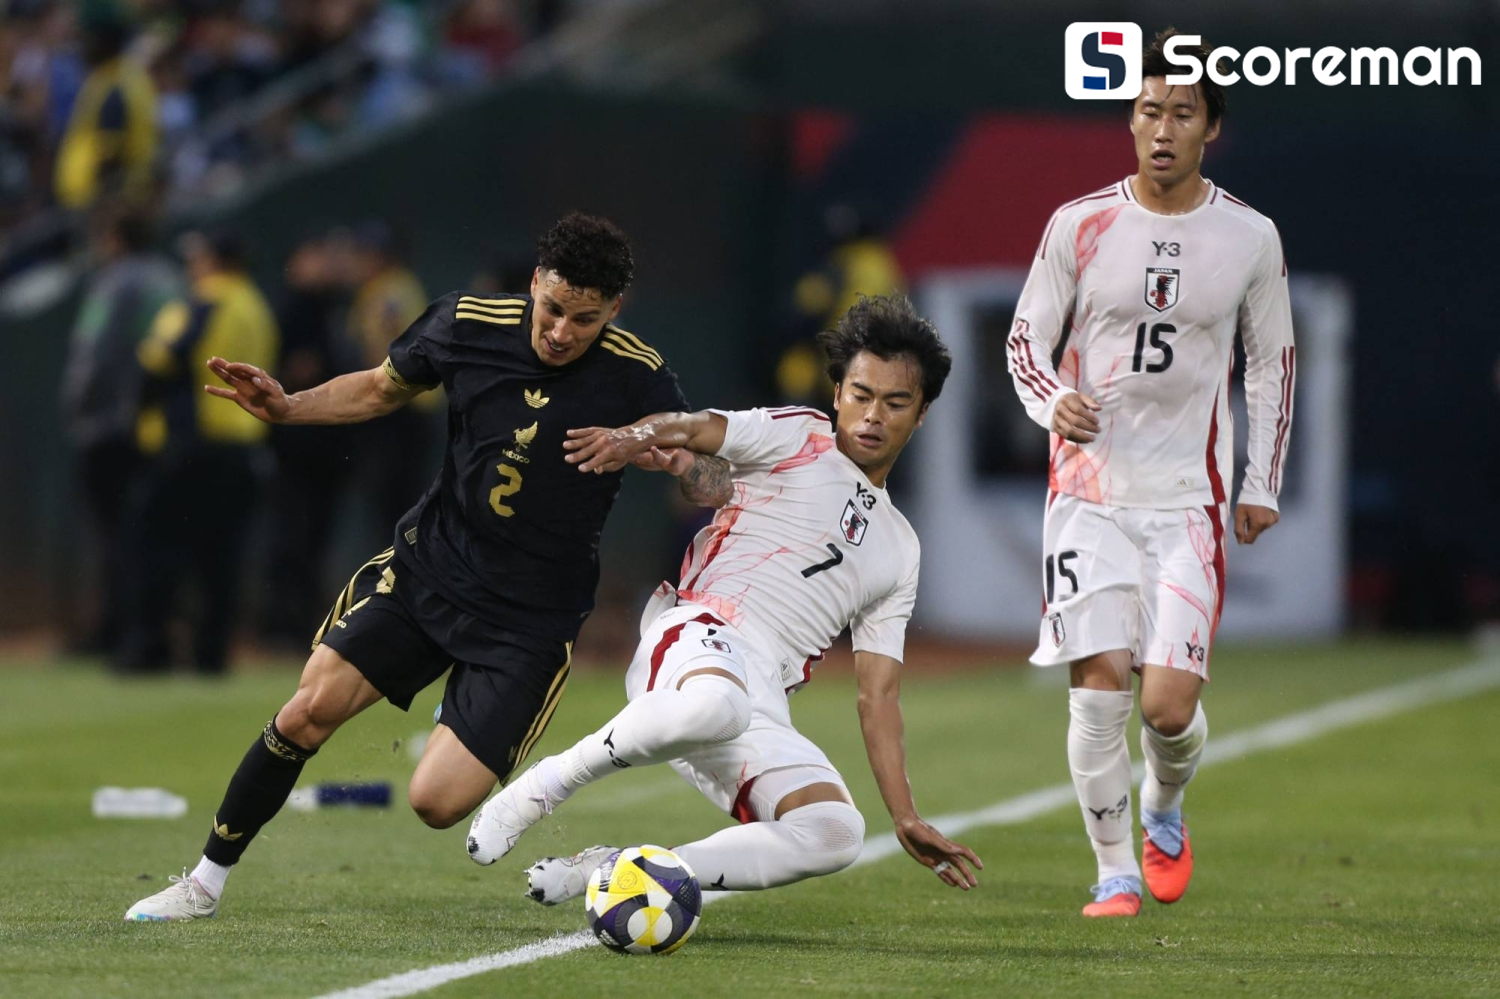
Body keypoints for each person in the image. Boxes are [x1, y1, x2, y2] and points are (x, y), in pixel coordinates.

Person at [124, 212, 732, 921]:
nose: (563, 331)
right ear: (536, 282)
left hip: (528, 620)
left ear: (615, 310)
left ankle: (600, 851)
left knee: (435, 802)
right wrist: (288, 408)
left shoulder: (639, 374)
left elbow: (713, 480)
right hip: (430, 569)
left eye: (585, 319)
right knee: (306, 712)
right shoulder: (465, 323)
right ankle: (202, 883)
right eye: (553, 308)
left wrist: (665, 454)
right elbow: (379, 388)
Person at [467, 295, 983, 902]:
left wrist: (904, 814)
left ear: (921, 415)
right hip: (697, 637)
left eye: (895, 403)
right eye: (861, 395)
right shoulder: (801, 434)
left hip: (759, 702)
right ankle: (546, 784)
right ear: (838, 392)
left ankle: (623, 871)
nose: (873, 416)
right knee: (719, 705)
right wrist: (633, 436)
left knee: (836, 832)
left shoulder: (901, 547)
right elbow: (694, 428)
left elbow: (879, 695)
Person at [1004, 30, 1296, 917]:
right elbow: (1025, 340)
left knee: (1166, 709)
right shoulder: (1079, 224)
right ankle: (1114, 870)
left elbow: (1272, 363)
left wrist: (1260, 482)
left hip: (1186, 502)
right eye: (1148, 110)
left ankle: (1165, 802)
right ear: (1130, 121)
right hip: (1087, 494)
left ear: (1212, 127)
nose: (1162, 129)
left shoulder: (1249, 235)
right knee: (1099, 686)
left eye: (1182, 113)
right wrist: (1053, 400)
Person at [116, 228, 278, 676]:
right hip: (243, 446)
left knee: (155, 547)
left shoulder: (202, 301)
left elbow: (157, 361)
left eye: (198, 258)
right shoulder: (257, 308)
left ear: (214, 261)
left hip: (191, 445)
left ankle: (150, 649)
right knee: (221, 557)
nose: (193, 266)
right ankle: (211, 654)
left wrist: (137, 419)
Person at [59, 204, 184, 655]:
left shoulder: (114, 283)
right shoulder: (172, 279)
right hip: (161, 426)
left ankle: (116, 630)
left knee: (114, 534)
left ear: (114, 238)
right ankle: (151, 629)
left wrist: (77, 409)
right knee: (152, 532)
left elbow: (92, 354)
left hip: (109, 424)